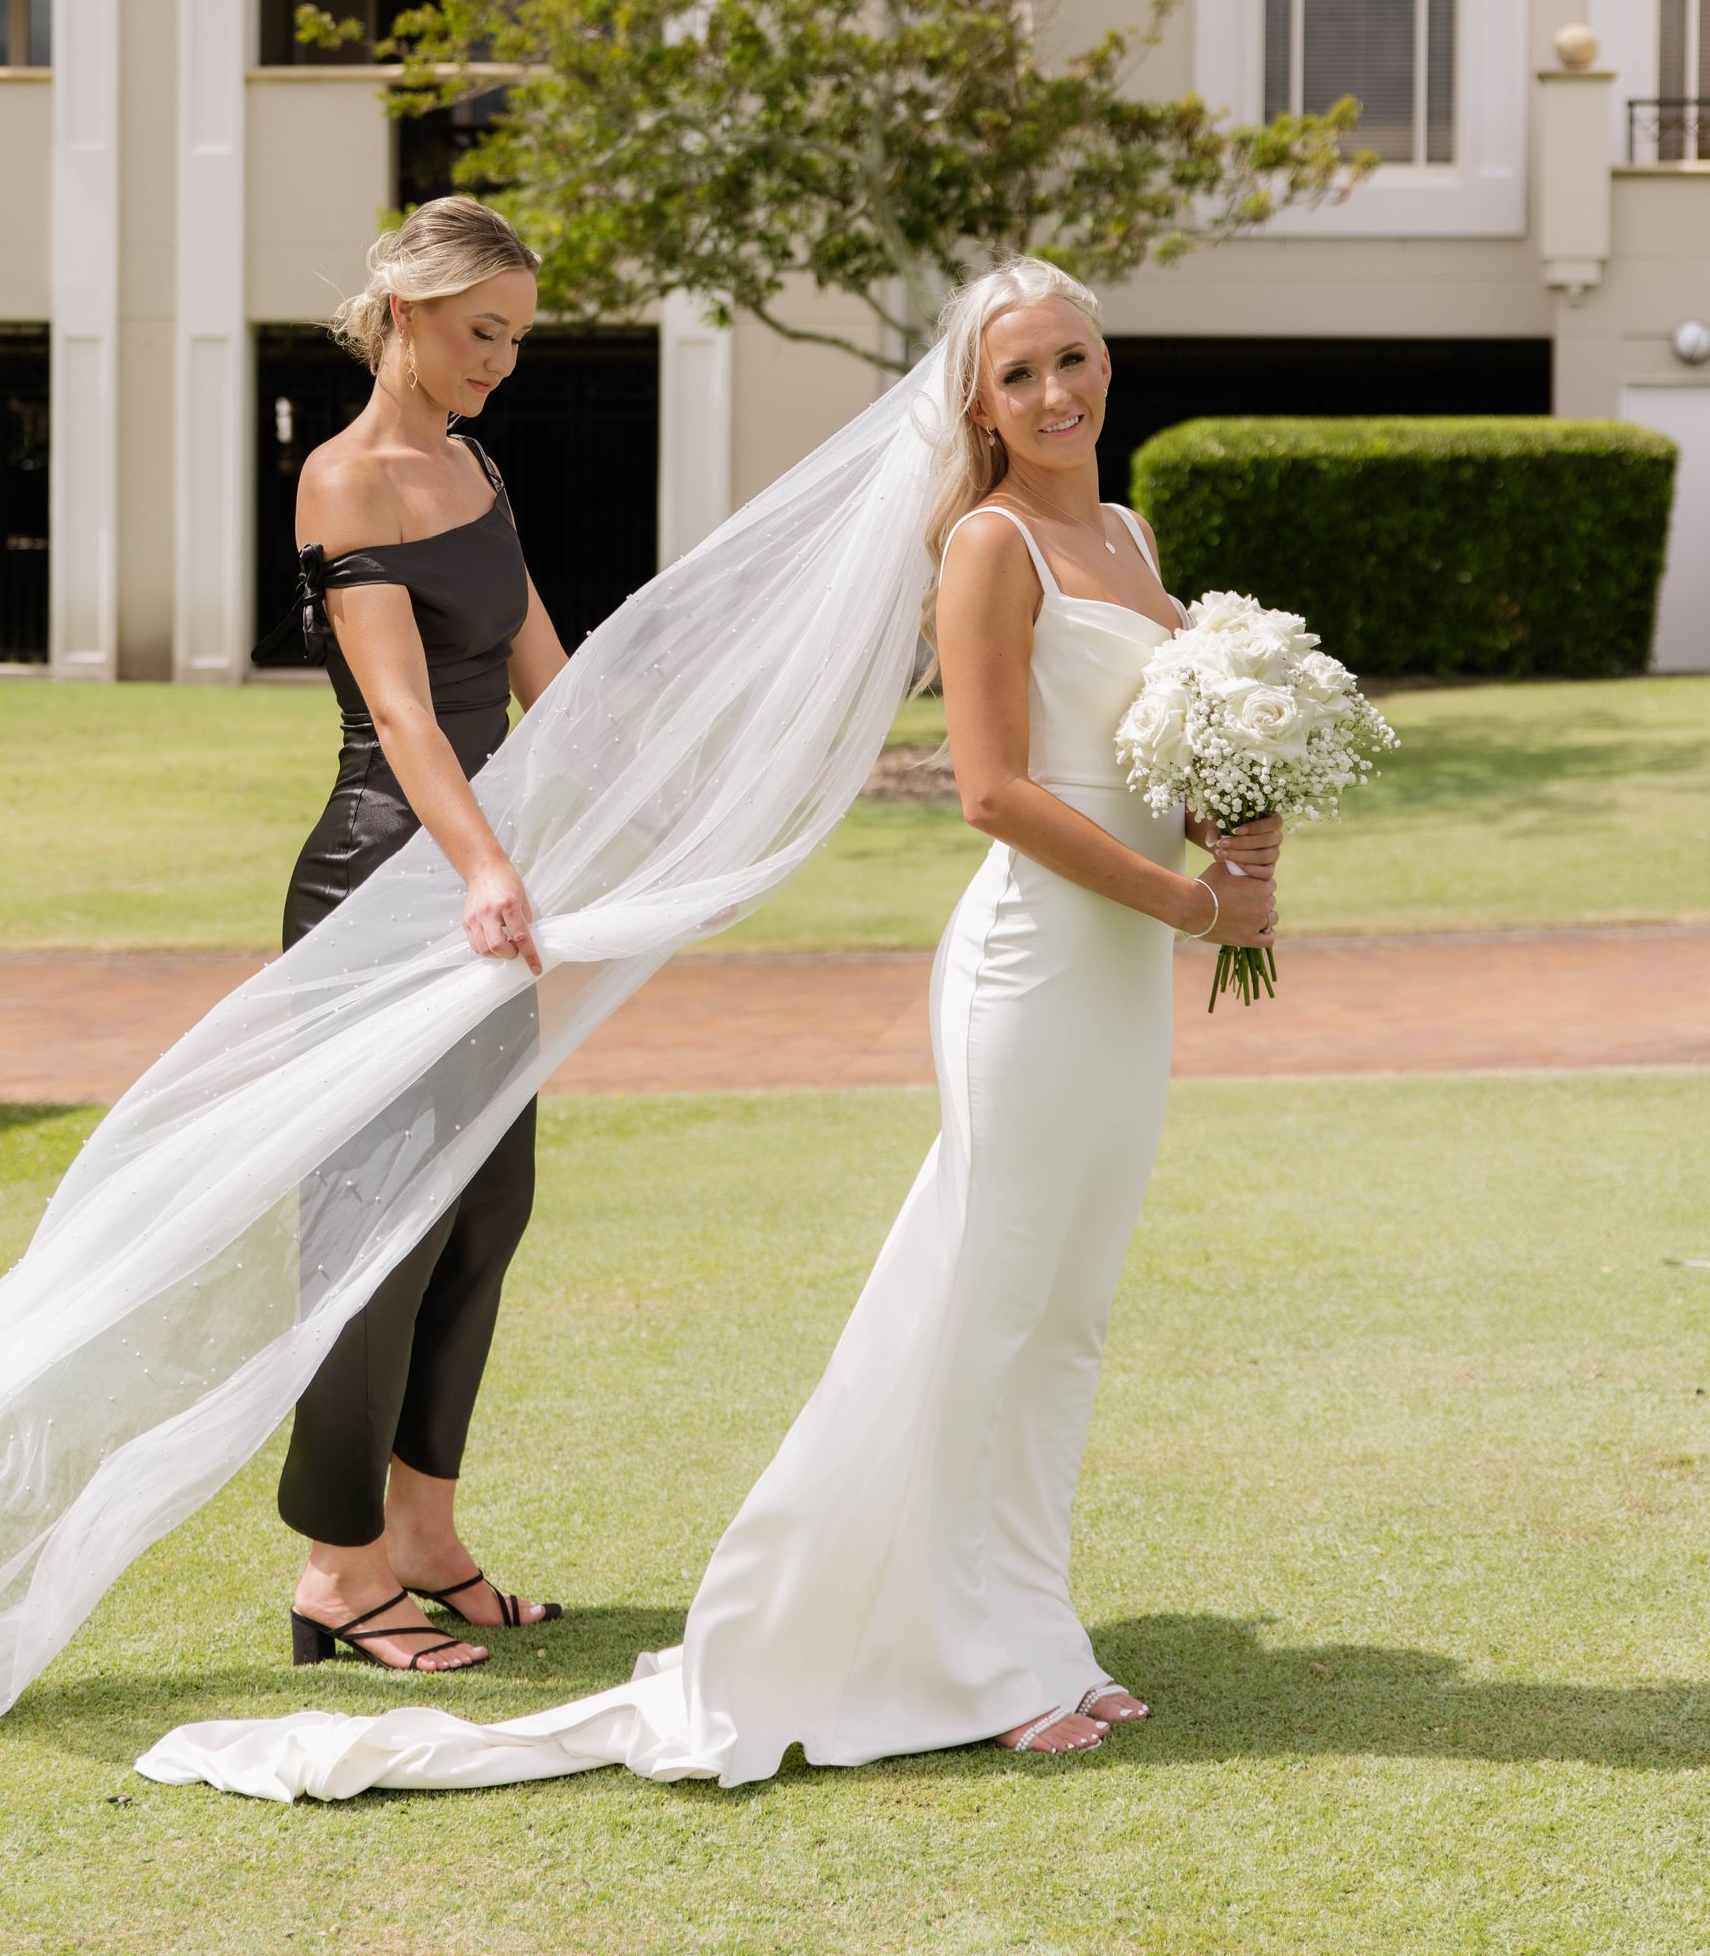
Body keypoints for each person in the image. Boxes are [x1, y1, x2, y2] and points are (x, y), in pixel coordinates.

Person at [139, 256, 1282, 1799]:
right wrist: (1196, 907)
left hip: (1115, 976)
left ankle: (1028, 1628)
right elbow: (993, 789)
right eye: (1018, 373)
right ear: (975, 402)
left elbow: (557, 677)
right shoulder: (988, 542)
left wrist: (1241, 810)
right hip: (463, 886)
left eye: (1073, 358)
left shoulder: (1129, 536)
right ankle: (352, 1564)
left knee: (1045, 1315)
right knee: (956, 1303)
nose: (1054, 392)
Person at [254, 194, 567, 1677]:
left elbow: (542, 667)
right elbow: (400, 715)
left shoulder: (474, 462)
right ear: (406, 314)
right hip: (384, 883)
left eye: (516, 338)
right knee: (377, 1231)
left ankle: (426, 1536)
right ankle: (338, 1566)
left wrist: (652, 794)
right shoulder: (345, 479)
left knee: (487, 1208)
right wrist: (487, 865)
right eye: (481, 331)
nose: (499, 360)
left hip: (486, 880)